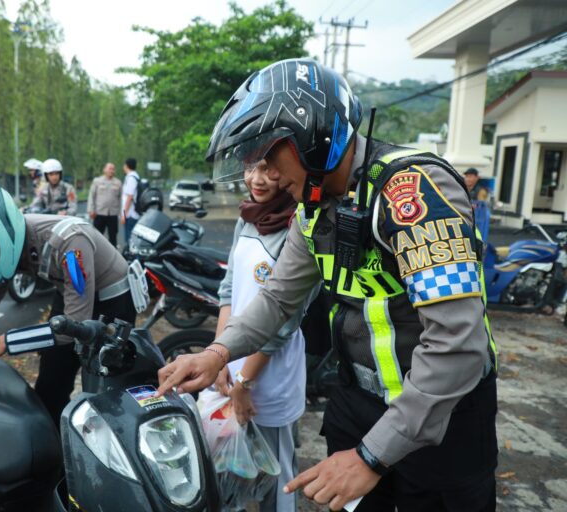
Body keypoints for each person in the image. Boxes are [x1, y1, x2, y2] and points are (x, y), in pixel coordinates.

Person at [156, 58, 497, 511]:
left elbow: (458, 345)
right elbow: (277, 299)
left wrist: (371, 457)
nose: (267, 174)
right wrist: (216, 352)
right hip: (357, 404)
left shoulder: (414, 192)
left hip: (441, 418)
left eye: (269, 154)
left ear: (313, 138)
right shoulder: (315, 206)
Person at [0, 175, 137, 422]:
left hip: (112, 305)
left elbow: (73, 325)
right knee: (51, 382)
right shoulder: (9, 240)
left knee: (107, 390)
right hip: (70, 300)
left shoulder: (69, 243)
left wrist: (3, 342)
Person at [212, 162, 306, 512]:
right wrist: (218, 355)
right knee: (230, 466)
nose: (256, 179)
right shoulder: (247, 218)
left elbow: (284, 321)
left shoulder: (298, 227)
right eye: (251, 168)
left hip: (271, 371)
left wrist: (244, 384)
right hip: (233, 364)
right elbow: (228, 292)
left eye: (269, 169)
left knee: (277, 478)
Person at [87, 162, 122, 246]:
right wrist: (91, 210)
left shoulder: (118, 183)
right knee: (97, 237)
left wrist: (122, 214)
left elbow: (121, 200)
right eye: (110, 168)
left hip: (113, 214)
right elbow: (91, 196)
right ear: (104, 170)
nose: (111, 170)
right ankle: (96, 256)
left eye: (113, 169)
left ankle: (113, 257)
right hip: (99, 213)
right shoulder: (97, 181)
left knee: (113, 237)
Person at [121, 157, 141, 242]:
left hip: (131, 214)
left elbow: (129, 197)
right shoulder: (133, 177)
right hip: (131, 213)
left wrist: (124, 215)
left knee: (129, 239)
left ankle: (130, 255)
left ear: (126, 166)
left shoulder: (131, 178)